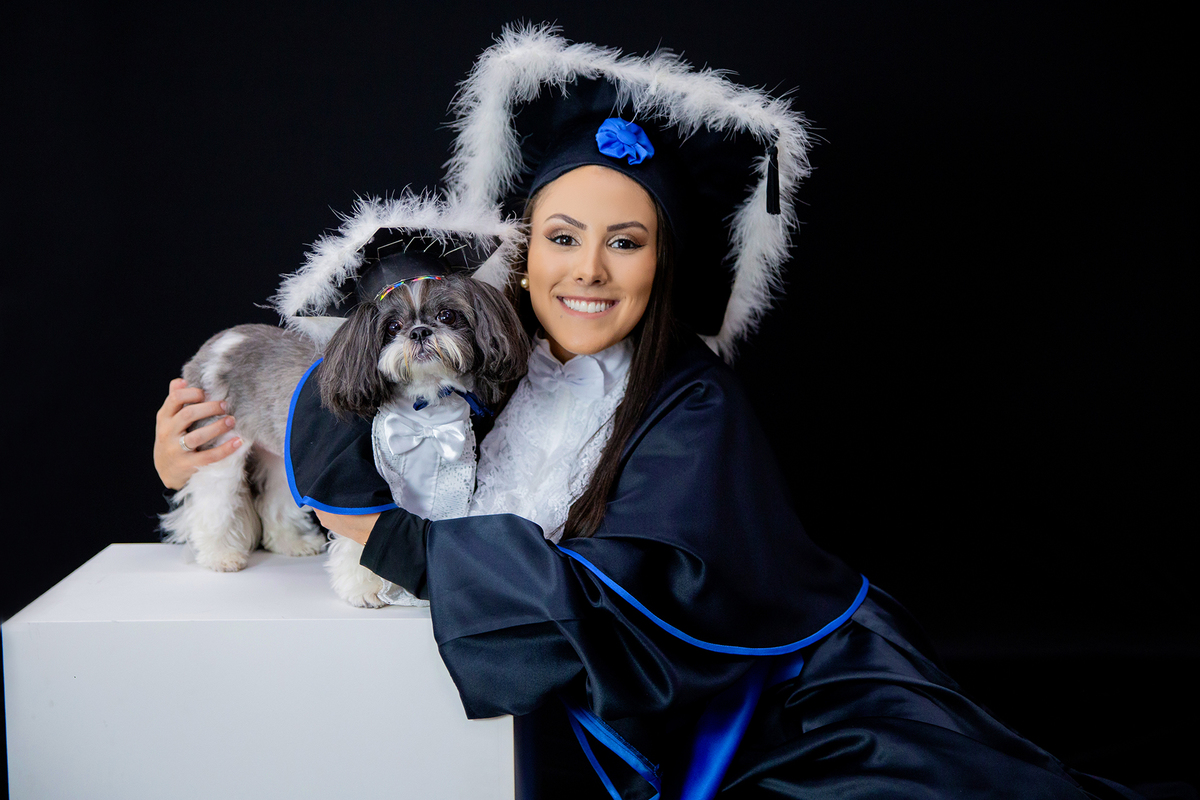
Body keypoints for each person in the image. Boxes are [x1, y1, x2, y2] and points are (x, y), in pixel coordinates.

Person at [155, 26, 1142, 800]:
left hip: (789, 716)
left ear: (661, 262)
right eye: (564, 236)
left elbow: (629, 598)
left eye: (626, 241)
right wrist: (187, 452)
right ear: (523, 249)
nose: (589, 268)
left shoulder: (690, 402)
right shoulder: (483, 362)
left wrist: (400, 545)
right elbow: (341, 413)